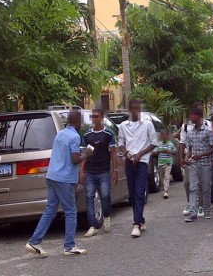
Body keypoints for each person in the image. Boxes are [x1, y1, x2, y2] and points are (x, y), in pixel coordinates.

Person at [25, 108, 91, 257]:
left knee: (50, 210)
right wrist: (86, 154)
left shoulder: (60, 134)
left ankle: (34, 241)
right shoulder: (74, 137)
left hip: (52, 176)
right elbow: (75, 160)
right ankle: (69, 246)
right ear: (77, 121)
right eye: (81, 119)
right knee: (71, 211)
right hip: (65, 179)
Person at [117, 99, 157, 237]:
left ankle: (136, 224)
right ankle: (141, 218)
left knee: (140, 191)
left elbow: (153, 143)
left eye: (137, 108)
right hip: (129, 161)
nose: (135, 111)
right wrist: (127, 153)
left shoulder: (147, 124)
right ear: (129, 110)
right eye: (132, 108)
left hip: (142, 161)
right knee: (132, 193)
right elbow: (121, 142)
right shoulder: (123, 125)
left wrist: (140, 154)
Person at [80, 107, 118, 238]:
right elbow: (84, 154)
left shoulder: (108, 134)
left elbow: (113, 153)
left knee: (105, 195)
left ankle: (106, 217)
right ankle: (93, 225)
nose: (95, 119)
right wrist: (82, 171)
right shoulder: (86, 135)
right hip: (90, 171)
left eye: (97, 116)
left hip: (103, 171)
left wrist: (115, 170)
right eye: (93, 116)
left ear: (101, 118)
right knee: (89, 197)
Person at [183, 105, 213, 222]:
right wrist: (187, 157)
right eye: (191, 116)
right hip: (194, 165)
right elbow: (190, 149)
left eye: (194, 116)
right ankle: (193, 212)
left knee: (206, 187)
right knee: (192, 187)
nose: (192, 118)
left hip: (206, 164)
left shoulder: (208, 131)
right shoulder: (190, 133)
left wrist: (201, 155)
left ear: (200, 117)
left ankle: (206, 210)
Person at [155, 127, 177, 199]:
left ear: (167, 136)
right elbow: (154, 152)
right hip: (160, 163)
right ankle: (163, 188)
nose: (164, 137)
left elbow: (175, 152)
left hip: (168, 163)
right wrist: (160, 151)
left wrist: (169, 152)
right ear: (161, 136)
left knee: (167, 177)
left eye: (165, 135)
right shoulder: (158, 144)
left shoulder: (170, 144)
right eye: (162, 135)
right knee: (161, 178)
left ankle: (166, 191)